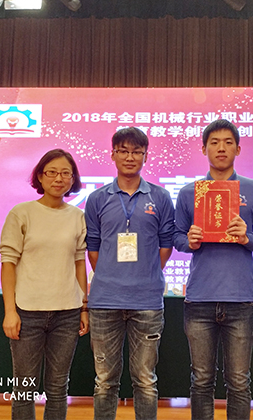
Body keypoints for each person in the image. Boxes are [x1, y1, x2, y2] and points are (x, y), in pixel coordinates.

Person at [173, 119, 253, 420]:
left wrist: (247, 238)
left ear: (238, 149)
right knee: (201, 380)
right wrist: (189, 240)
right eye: (215, 142)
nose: (221, 148)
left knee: (239, 382)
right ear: (204, 149)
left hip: (240, 299)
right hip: (200, 299)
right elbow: (176, 237)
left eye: (228, 142)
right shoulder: (189, 192)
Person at [85, 127, 175, 420]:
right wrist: (111, 274)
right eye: (123, 151)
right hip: (104, 301)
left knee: (145, 380)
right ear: (112, 154)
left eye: (137, 152)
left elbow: (165, 246)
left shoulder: (160, 197)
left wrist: (145, 273)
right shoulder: (97, 198)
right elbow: (94, 248)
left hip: (147, 301)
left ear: (146, 156)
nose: (130, 157)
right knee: (104, 381)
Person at [0, 148, 88, 420]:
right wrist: (10, 311)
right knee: (24, 387)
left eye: (65, 173)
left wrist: (84, 307)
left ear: (73, 179)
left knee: (58, 387)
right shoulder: (21, 213)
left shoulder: (77, 216)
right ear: (40, 176)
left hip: (67, 313)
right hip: (27, 312)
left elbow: (79, 263)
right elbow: (8, 263)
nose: (58, 179)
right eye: (51, 172)